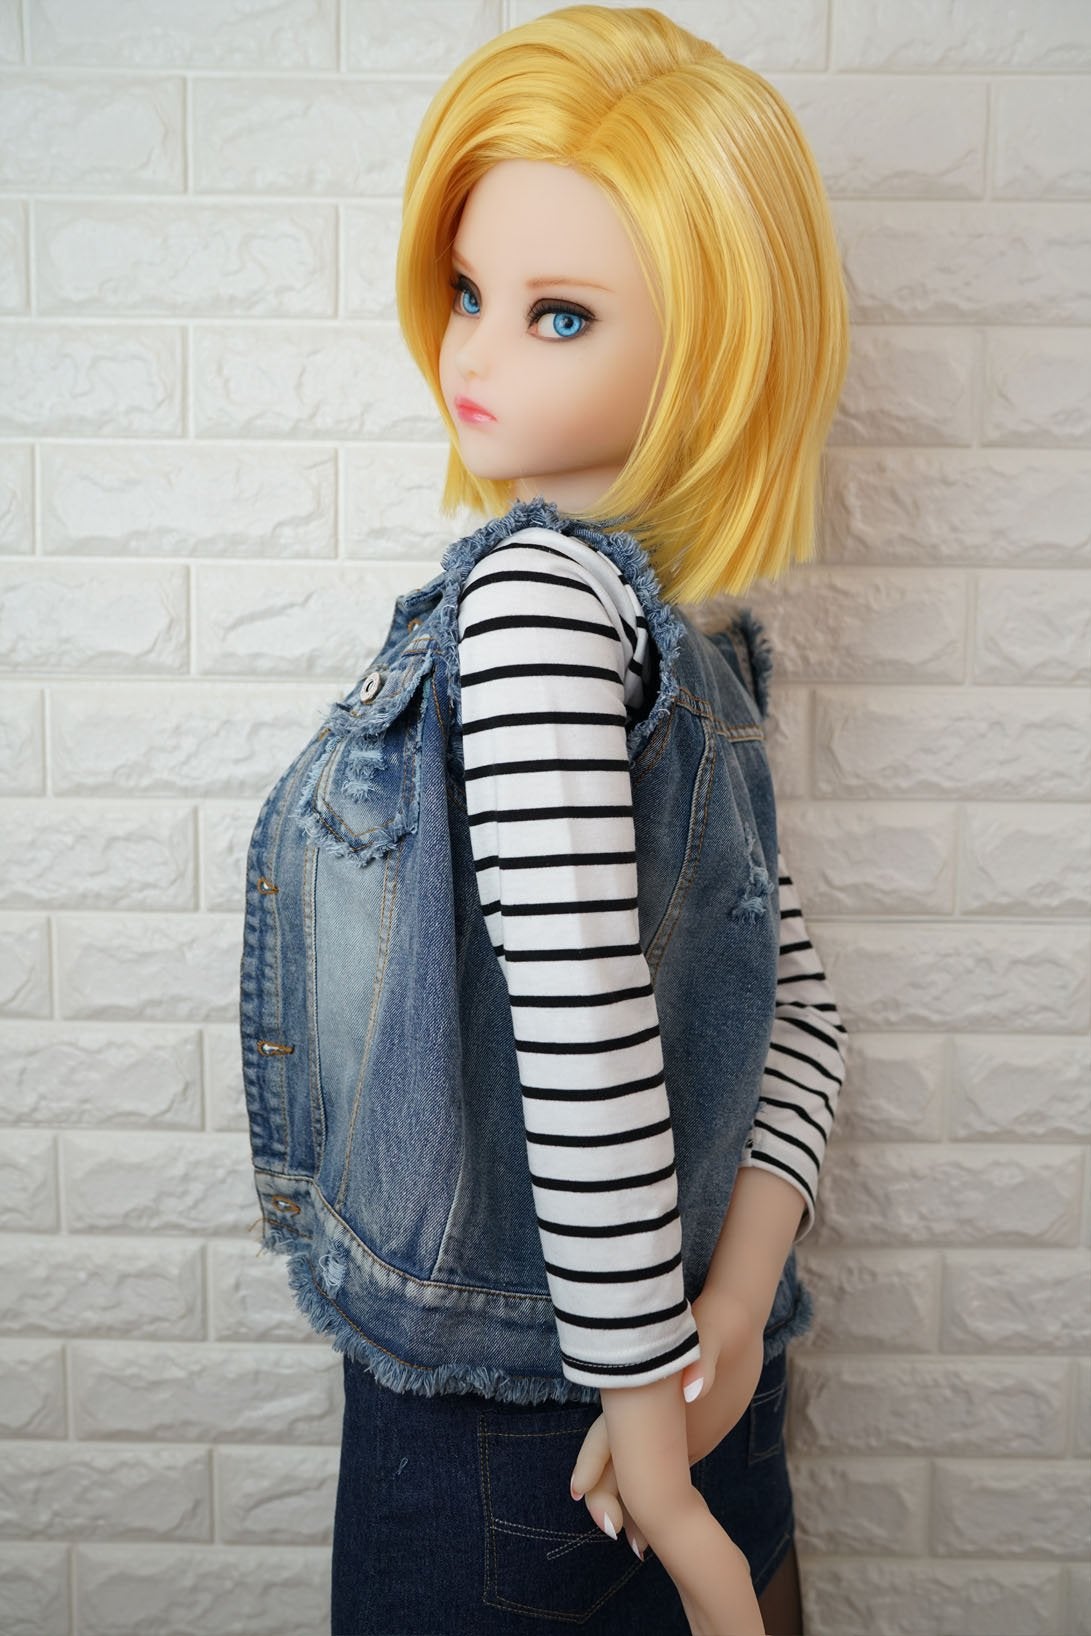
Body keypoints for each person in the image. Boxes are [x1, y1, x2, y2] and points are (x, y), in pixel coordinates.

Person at [239, 7, 849, 1633]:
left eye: (559, 314)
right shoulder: (703, 646)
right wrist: (726, 1321)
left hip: (533, 1440)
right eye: (467, 293)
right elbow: (801, 1018)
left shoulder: (532, 604)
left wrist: (657, 1456)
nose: (478, 356)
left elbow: (590, 1027)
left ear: (716, 343)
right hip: (705, 1383)